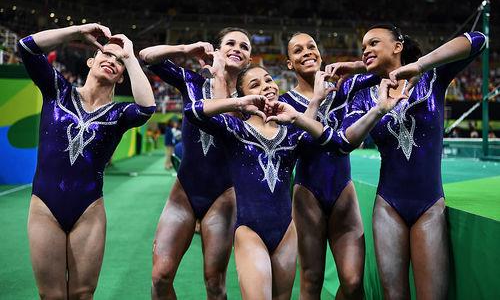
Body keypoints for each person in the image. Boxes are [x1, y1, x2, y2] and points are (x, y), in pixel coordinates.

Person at [184, 64, 404, 300]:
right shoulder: (235, 129)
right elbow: (192, 111)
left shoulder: (291, 134)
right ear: (244, 94)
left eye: (269, 80)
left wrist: (312, 103)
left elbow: (328, 141)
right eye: (255, 84)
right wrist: (237, 103)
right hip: (249, 231)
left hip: (286, 232)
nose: (266, 86)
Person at [341, 24, 486, 299]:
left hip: (429, 206)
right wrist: (378, 109)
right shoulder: (361, 94)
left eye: (373, 43)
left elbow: (478, 40)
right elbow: (347, 139)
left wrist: (420, 64)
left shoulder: (432, 78)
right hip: (388, 207)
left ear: (398, 46)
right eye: (363, 48)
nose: (365, 50)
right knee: (393, 295)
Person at [18, 23, 156, 299]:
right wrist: (77, 31)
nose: (112, 61)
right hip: (45, 206)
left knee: (83, 294)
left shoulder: (119, 114)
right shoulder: (58, 92)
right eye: (107, 53)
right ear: (91, 60)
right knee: (51, 295)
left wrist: (130, 57)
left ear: (121, 77)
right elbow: (27, 47)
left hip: (88, 211)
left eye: (119, 61)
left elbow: (147, 108)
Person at [139, 28, 252, 299]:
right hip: (184, 192)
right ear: (217, 49)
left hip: (223, 197)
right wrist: (187, 49)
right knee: (160, 278)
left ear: (248, 60)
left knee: (215, 284)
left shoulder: (249, 100)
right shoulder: (191, 83)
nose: (237, 48)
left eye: (244, 46)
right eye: (231, 43)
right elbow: (147, 57)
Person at [280, 32, 380, 299]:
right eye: (298, 51)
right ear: (289, 63)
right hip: (306, 195)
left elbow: (386, 68)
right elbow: (295, 147)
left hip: (342, 192)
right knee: (311, 279)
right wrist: (314, 101)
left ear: (321, 53)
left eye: (311, 46)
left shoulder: (344, 89)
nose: (307, 52)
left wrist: (356, 65)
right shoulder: (285, 103)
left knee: (353, 281)